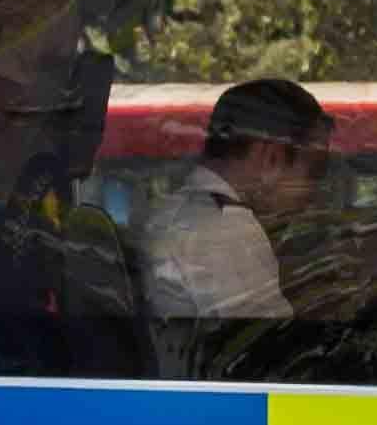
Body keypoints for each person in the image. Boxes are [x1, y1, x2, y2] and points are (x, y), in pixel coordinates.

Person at [138, 77, 333, 326]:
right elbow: (267, 351)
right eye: (314, 171)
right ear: (271, 157)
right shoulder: (228, 232)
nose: (314, 191)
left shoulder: (174, 214)